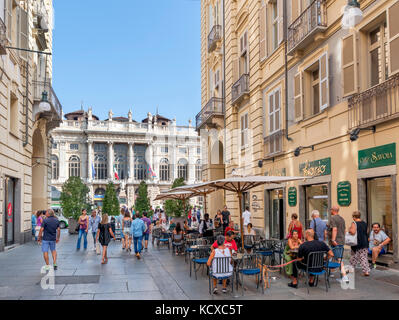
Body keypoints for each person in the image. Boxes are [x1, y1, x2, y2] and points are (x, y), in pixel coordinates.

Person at [328, 206, 348, 281]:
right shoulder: (342, 219)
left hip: (336, 241)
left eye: (331, 209)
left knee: (339, 259)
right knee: (331, 255)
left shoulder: (333, 218)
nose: (330, 211)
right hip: (341, 240)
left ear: (333, 210)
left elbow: (335, 229)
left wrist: (333, 240)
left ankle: (344, 276)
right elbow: (344, 230)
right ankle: (331, 272)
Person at [348, 211, 370, 276]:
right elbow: (367, 231)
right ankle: (365, 271)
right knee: (359, 257)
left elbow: (353, 232)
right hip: (364, 241)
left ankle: (353, 269)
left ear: (354, 217)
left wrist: (349, 230)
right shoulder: (364, 223)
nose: (353, 218)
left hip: (357, 242)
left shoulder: (354, 223)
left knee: (357, 257)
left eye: (353, 217)